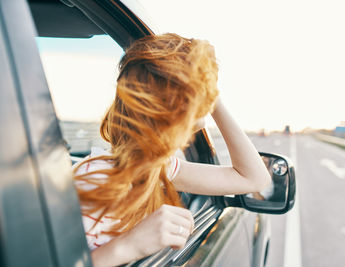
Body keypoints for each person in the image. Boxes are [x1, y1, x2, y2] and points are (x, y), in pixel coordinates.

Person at [73, 33, 271, 267]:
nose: (202, 121)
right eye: (197, 110)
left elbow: (253, 179)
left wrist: (209, 90)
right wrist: (128, 246)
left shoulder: (157, 168)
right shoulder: (95, 179)